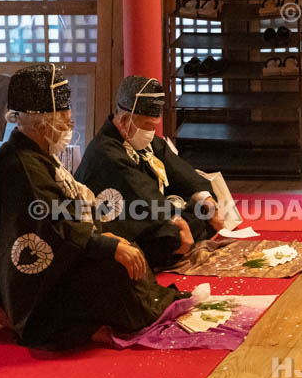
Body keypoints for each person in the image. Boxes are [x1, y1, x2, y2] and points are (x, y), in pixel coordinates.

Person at [0, 64, 182, 350]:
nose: (68, 129)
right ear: (43, 123)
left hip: (69, 246)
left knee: (129, 245)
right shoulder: (22, 165)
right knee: (113, 267)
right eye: (65, 123)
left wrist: (109, 237)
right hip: (41, 283)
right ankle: (94, 326)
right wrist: (105, 244)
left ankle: (142, 309)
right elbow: (54, 224)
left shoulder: (37, 155)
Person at [75, 76, 223, 269]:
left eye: (154, 126)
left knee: (204, 210)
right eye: (147, 126)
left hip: (149, 211)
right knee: (172, 235)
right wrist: (177, 220)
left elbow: (180, 171)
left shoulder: (141, 138)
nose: (151, 132)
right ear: (125, 119)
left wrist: (206, 199)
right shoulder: (106, 151)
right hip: (123, 221)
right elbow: (142, 192)